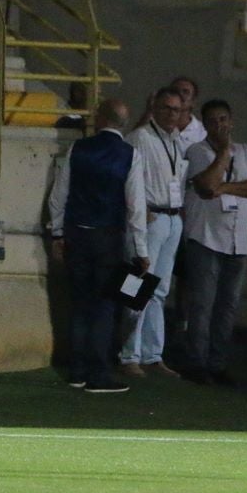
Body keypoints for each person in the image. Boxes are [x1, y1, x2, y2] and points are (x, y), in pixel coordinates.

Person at [45, 98, 151, 394]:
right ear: (123, 124)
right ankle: (98, 374)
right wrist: (141, 250)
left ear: (101, 118)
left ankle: (76, 371)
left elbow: (59, 195)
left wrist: (57, 234)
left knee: (79, 303)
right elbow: (136, 207)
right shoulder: (130, 155)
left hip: (76, 234)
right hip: (109, 238)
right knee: (104, 306)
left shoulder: (78, 149)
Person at [181, 99, 247, 385]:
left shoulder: (246, 151)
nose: (221, 125)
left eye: (224, 119)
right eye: (215, 120)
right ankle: (197, 363)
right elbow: (206, 185)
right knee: (202, 304)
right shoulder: (198, 151)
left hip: (237, 241)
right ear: (205, 125)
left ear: (232, 121)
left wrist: (227, 187)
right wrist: (224, 155)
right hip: (206, 237)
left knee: (227, 306)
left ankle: (218, 363)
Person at [119, 85, 186, 379]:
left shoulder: (176, 141)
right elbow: (128, 178)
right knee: (136, 288)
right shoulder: (140, 138)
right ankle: (127, 354)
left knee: (159, 290)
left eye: (177, 109)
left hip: (172, 218)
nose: (172, 114)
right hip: (150, 218)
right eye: (167, 108)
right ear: (154, 108)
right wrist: (138, 209)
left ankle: (152, 354)